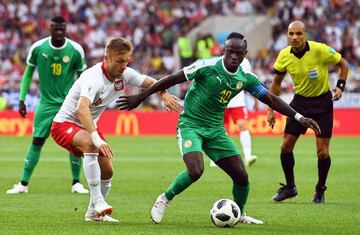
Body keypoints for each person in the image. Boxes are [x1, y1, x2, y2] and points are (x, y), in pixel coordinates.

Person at [117, 32, 321, 224]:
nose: (233, 56)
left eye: (238, 53)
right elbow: (170, 79)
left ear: (244, 55)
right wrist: (140, 97)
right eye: (229, 51)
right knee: (196, 171)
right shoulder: (206, 66)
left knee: (241, 176)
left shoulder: (245, 79)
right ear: (223, 50)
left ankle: (239, 214)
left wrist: (299, 117)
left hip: (215, 131)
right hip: (191, 125)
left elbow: (271, 98)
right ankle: (164, 198)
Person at [50, 37, 180, 222]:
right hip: (65, 124)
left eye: (127, 60)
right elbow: (81, 109)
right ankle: (98, 201)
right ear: (106, 58)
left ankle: (93, 215)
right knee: (91, 144)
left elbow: (151, 81)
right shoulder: (92, 77)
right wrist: (96, 138)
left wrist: (164, 94)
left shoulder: (125, 74)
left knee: (108, 171)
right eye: (119, 61)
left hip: (88, 125)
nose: (124, 65)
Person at [267, 21, 349, 204]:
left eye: (298, 34)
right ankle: (290, 187)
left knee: (322, 152)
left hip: (322, 103)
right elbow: (277, 83)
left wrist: (340, 86)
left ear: (305, 34)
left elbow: (344, 64)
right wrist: (270, 108)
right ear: (287, 35)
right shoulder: (284, 55)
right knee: (285, 147)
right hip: (300, 104)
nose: (294, 37)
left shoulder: (320, 50)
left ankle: (320, 189)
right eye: (291, 34)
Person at [6, 16, 89, 194]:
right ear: (49, 28)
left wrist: (85, 101)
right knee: (37, 141)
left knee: (75, 142)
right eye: (55, 28)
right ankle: (23, 184)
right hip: (45, 104)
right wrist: (22, 99)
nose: (59, 32)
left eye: (62, 29)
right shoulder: (38, 48)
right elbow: (28, 73)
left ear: (66, 29)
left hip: (69, 104)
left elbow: (84, 78)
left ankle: (76, 183)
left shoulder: (75, 50)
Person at [210, 57, 258, 167]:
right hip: (221, 100)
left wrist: (255, 98)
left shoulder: (245, 61)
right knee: (219, 128)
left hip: (238, 101)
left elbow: (249, 80)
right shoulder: (218, 61)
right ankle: (216, 158)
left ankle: (248, 156)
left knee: (243, 126)